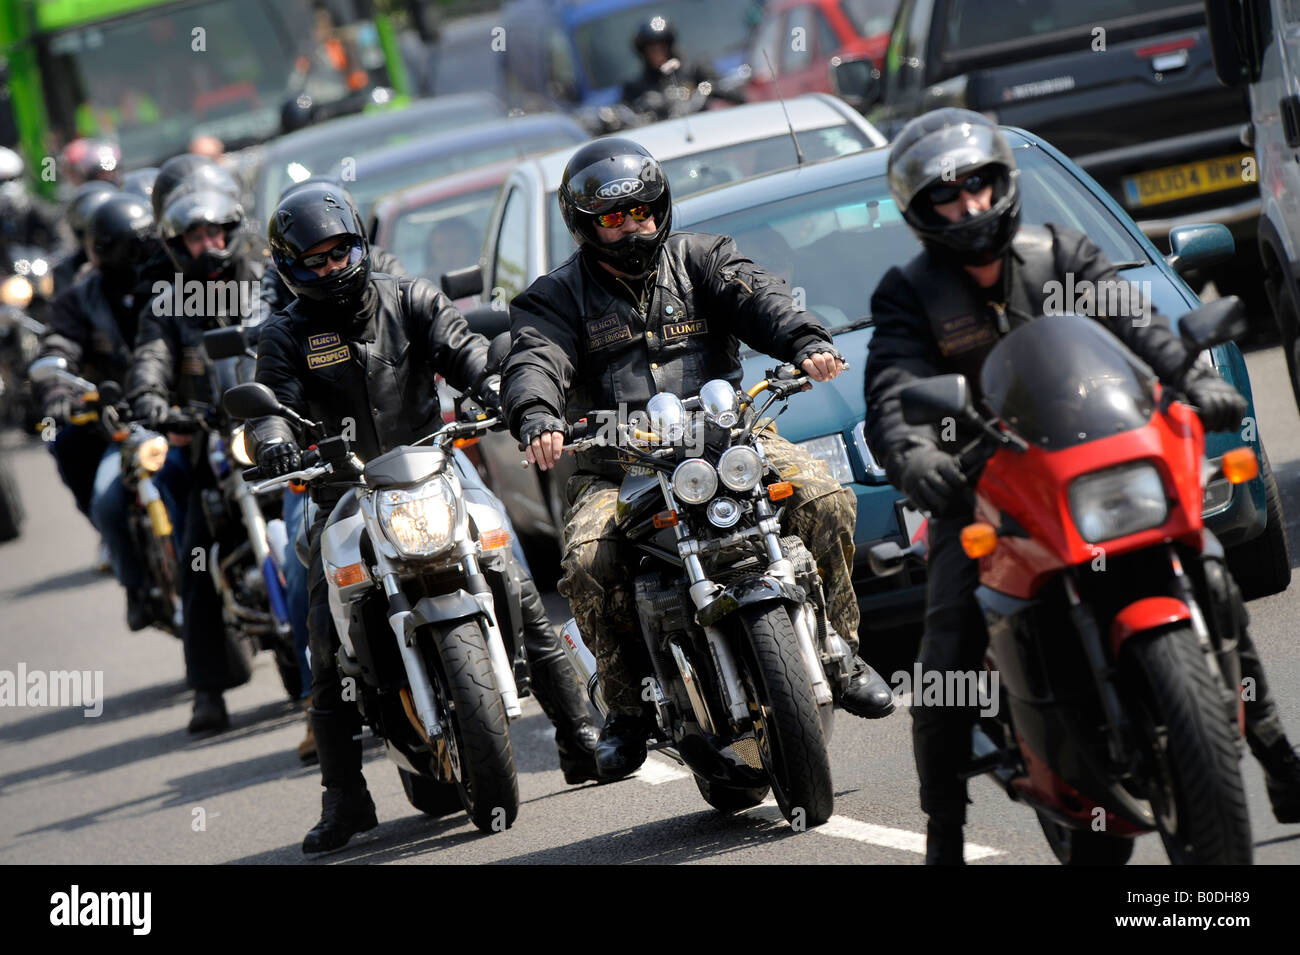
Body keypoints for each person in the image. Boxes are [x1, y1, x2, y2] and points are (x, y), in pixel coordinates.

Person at [863, 107, 1300, 863]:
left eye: (980, 184)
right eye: (947, 194)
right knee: (946, 653)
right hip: (988, 481)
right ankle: (943, 833)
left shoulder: (1059, 252)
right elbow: (892, 392)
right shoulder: (910, 296)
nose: (969, 204)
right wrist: (914, 457)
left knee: (1208, 570)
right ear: (918, 211)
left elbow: (1141, 325)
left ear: (1005, 182)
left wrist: (1194, 377)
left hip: (1098, 457)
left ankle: (1275, 753)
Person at [502, 137, 896, 781]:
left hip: (730, 438)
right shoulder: (554, 297)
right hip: (618, 463)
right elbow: (534, 359)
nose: (633, 226)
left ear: (661, 208)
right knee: (585, 561)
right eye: (612, 217)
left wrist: (803, 341)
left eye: (642, 211)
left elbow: (758, 298)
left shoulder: (703, 257)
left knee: (826, 495)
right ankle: (627, 711)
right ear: (584, 225)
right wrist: (537, 415)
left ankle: (841, 651)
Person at [249, 181, 599, 854]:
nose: (331, 268)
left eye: (341, 251)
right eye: (314, 260)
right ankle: (345, 797)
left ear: (361, 245)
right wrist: (271, 441)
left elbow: (463, 349)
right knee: (323, 631)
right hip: (341, 488)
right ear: (289, 267)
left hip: (432, 464)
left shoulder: (409, 296)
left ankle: (580, 732)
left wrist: (492, 388)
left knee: (517, 576)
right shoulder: (285, 334)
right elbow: (270, 403)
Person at [126, 181, 267, 732]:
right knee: (196, 548)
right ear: (177, 243)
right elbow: (152, 355)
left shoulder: (267, 280)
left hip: (279, 424)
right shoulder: (168, 298)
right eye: (194, 234)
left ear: (230, 232)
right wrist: (151, 400)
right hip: (214, 432)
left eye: (214, 231)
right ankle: (208, 689)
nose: (207, 243)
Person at [620, 16, 739, 118]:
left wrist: (708, 90)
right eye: (652, 51)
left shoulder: (695, 69)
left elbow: (725, 89)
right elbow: (624, 113)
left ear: (670, 47)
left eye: (661, 49)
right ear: (643, 54)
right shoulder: (636, 87)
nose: (657, 55)